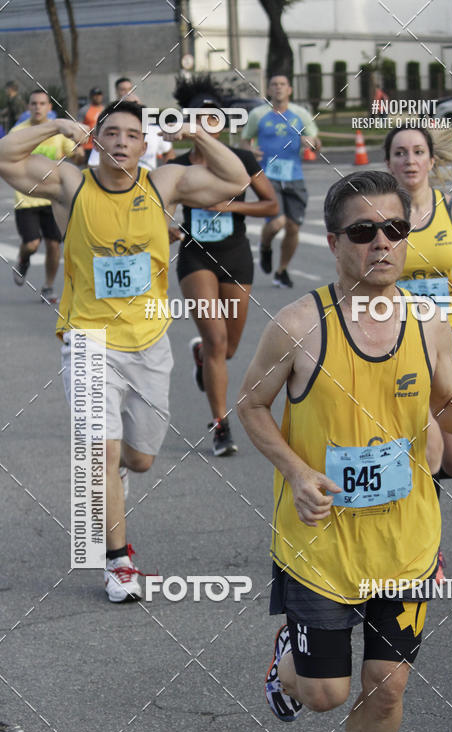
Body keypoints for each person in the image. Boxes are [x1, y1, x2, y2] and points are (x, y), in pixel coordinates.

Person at [238, 170, 452, 732]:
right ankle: (288, 665)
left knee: (388, 685)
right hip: (320, 542)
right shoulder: (298, 325)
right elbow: (252, 406)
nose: (382, 242)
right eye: (363, 231)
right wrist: (297, 471)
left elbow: (445, 406)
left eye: (395, 229)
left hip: (405, 540)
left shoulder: (429, 321)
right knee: (325, 695)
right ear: (333, 242)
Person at [0, 99, 247, 602]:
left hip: (149, 343)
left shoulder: (165, 184)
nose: (121, 142)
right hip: (88, 339)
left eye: (132, 135)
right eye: (111, 132)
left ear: (143, 144)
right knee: (101, 453)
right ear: (97, 139)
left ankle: (118, 480)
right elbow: (6, 157)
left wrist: (197, 135)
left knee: (140, 459)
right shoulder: (71, 185)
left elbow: (236, 179)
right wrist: (54, 125)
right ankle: (118, 561)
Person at [384, 125, 452, 515]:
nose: (409, 160)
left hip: (449, 338)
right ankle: (421, 533)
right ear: (388, 163)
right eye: (400, 153)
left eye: (417, 152)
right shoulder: (379, 215)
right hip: (395, 340)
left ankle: (407, 479)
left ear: (431, 160)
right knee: (426, 443)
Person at [168, 97, 278, 455]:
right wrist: (166, 227)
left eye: (212, 119)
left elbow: (271, 204)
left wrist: (229, 206)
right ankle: (220, 425)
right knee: (217, 340)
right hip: (195, 255)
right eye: (197, 119)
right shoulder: (177, 165)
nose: (204, 125)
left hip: (235, 255)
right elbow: (158, 207)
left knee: (227, 348)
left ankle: (201, 354)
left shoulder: (241, 160)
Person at [241, 73, 320, 288]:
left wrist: (312, 143)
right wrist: (250, 151)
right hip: (268, 175)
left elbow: (315, 141)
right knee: (277, 222)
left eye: (283, 84)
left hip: (294, 175)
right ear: (268, 90)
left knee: (293, 227)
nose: (278, 87)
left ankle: (282, 270)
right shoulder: (258, 114)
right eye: (274, 84)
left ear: (289, 90)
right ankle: (265, 246)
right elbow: (245, 140)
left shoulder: (300, 114)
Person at [11, 89, 83, 303]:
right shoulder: (19, 132)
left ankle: (48, 287)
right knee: (32, 243)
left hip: (53, 198)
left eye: (42, 103)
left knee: (53, 245)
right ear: (28, 107)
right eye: (34, 103)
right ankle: (23, 259)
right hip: (26, 198)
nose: (38, 107)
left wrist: (79, 154)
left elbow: (75, 155)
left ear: (49, 107)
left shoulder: (58, 131)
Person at [78, 87, 104, 162]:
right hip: (88, 146)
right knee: (89, 167)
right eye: (95, 95)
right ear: (91, 97)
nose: (97, 97)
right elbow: (79, 128)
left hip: (102, 146)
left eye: (99, 95)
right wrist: (79, 146)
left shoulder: (105, 110)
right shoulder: (84, 110)